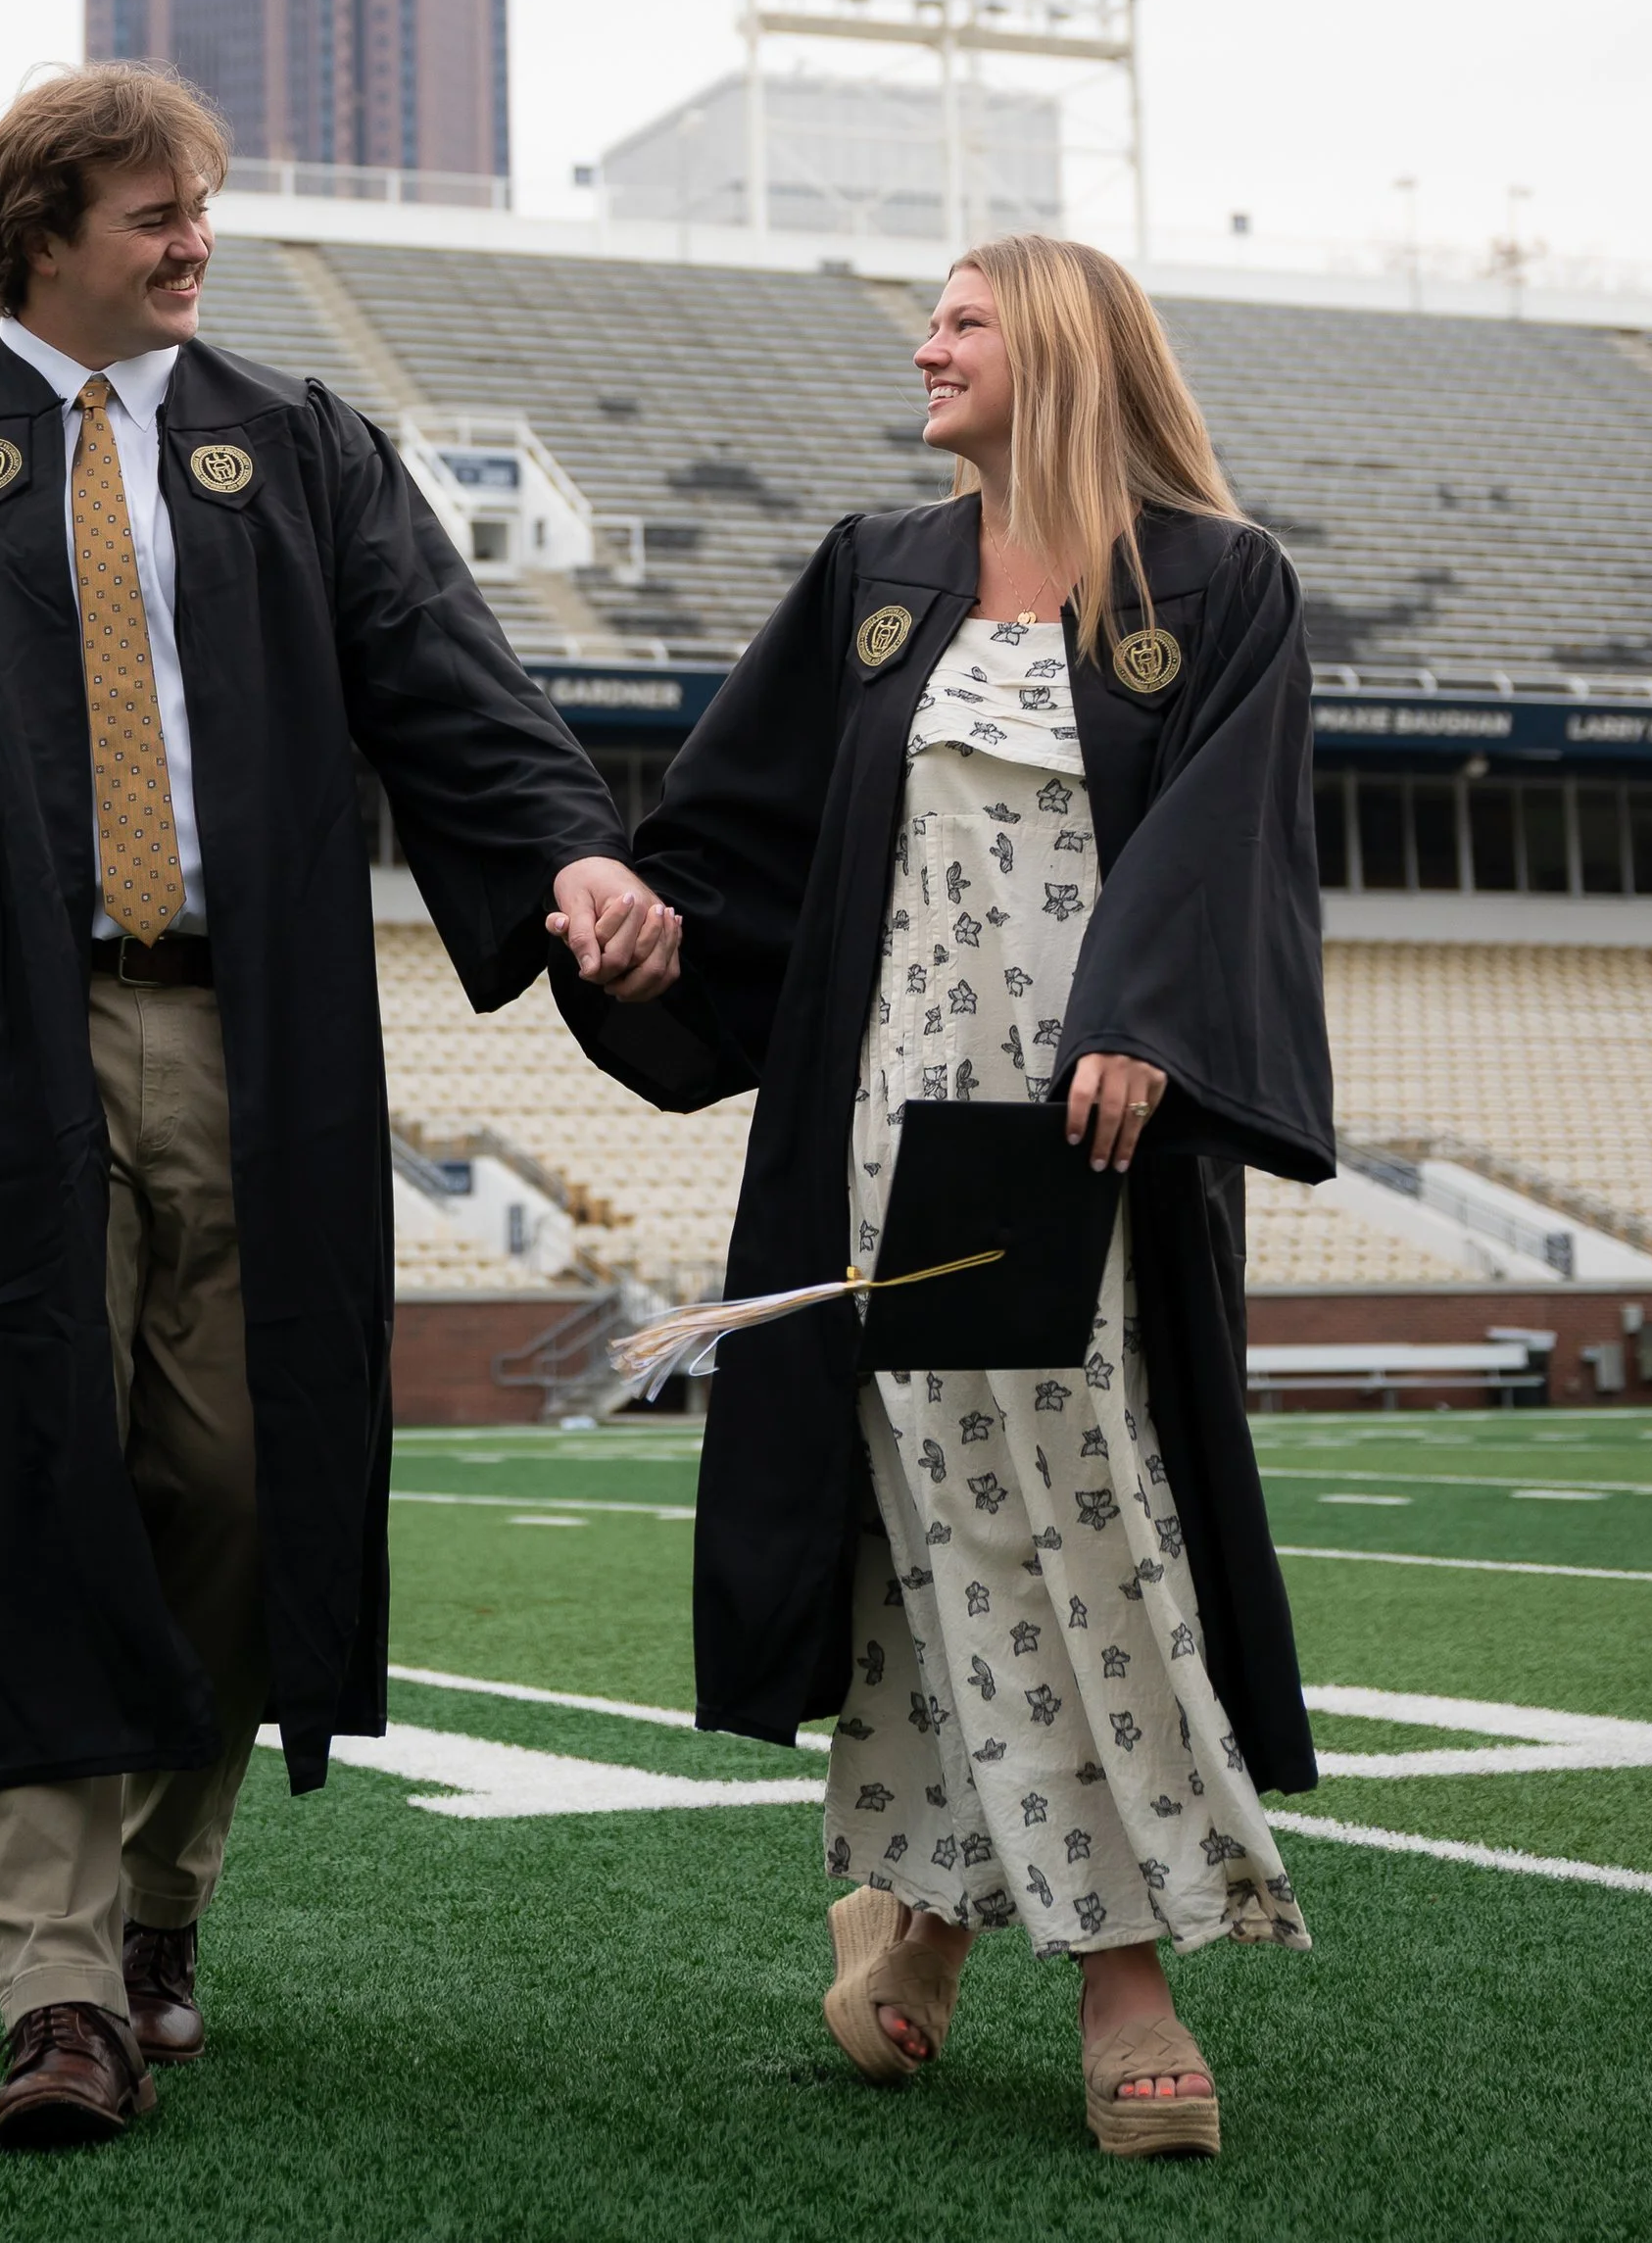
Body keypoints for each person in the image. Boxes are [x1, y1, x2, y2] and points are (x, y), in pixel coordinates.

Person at [0, 63, 678, 2153]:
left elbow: (441, 676)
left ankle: (159, 1908)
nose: (191, 243)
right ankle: (54, 1991)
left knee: (237, 1480)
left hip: (258, 1039)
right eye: (152, 215)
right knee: (30, 1469)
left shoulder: (295, 448)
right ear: (42, 228)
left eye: (199, 209)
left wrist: (567, 848)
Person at [558, 234, 1332, 2161]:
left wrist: (1145, 1013)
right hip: (882, 1132)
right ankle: (976, 1935)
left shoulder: (1212, 588)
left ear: (1057, 347)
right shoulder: (873, 578)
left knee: (1073, 1520)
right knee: (936, 1533)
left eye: (962, 321)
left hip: (1075, 1146)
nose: (924, 345)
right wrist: (650, 935)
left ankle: (1044, 1953)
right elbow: (740, 832)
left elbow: (1226, 849)